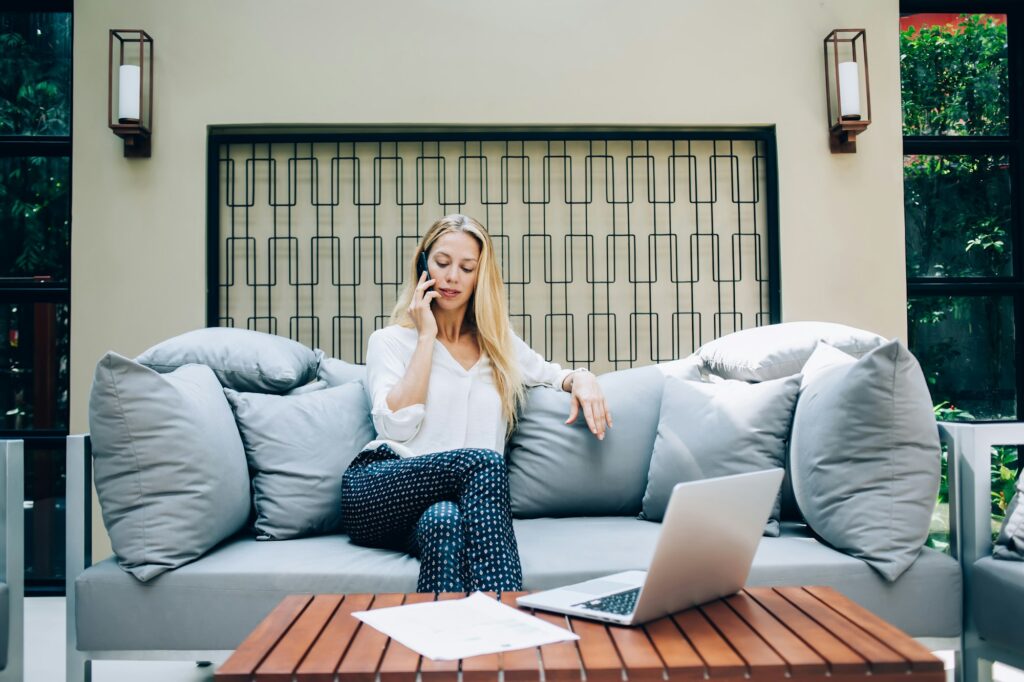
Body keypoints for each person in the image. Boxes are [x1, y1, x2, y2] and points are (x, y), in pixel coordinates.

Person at [341, 214, 611, 593]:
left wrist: (583, 378)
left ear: (480, 276)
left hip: (446, 510)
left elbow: (552, 374)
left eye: (466, 268)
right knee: (483, 460)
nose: (452, 277)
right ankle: (508, 612)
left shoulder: (498, 345)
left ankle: (446, 646)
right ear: (423, 265)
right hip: (379, 491)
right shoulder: (389, 341)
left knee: (444, 522)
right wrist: (425, 338)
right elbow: (394, 426)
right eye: (442, 263)